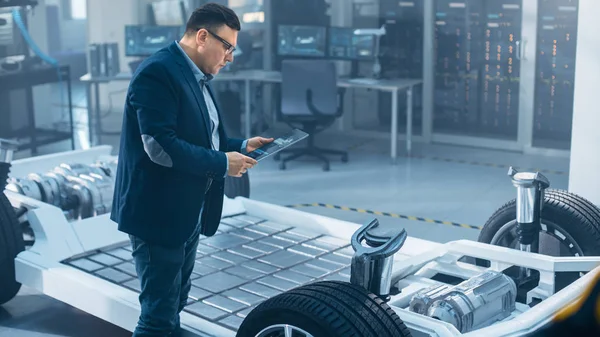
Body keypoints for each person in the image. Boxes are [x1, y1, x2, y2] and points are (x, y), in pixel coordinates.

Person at [110, 3, 273, 336]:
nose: (230, 57)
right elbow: (160, 147)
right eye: (227, 47)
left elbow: (207, 136)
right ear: (202, 36)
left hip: (187, 212)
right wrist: (221, 163)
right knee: (157, 315)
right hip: (158, 215)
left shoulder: (196, 75)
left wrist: (240, 146)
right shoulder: (158, 72)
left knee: (174, 304)